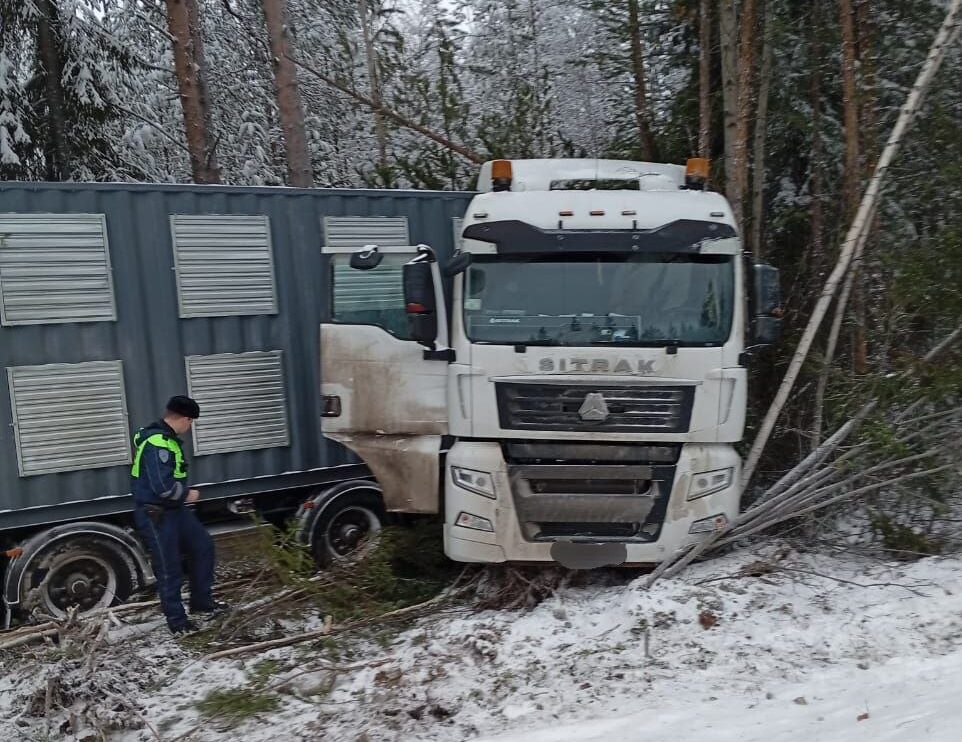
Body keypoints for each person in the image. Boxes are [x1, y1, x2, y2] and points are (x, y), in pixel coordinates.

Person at [131, 395, 227, 634]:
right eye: (191, 422)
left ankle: (202, 604)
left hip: (175, 511)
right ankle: (178, 623)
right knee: (169, 567)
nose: (190, 427)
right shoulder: (157, 444)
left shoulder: (167, 439)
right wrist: (188, 495)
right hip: (157, 514)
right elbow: (161, 488)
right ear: (184, 419)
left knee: (203, 546)